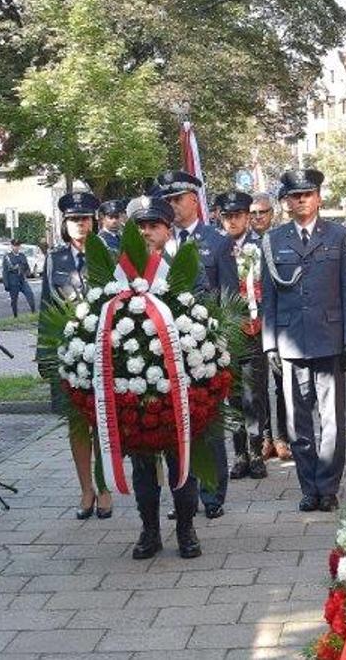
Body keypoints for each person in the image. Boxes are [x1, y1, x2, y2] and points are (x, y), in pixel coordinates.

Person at [260, 169, 346, 513]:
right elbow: (268, 298)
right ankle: (309, 487)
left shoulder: (338, 235)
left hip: (329, 338)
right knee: (297, 423)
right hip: (290, 342)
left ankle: (329, 486)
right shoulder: (272, 241)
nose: (301, 199)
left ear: (318, 197)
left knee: (332, 420)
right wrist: (269, 343)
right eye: (294, 195)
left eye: (307, 193)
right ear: (286, 202)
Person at [121, 195, 203, 560]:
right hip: (136, 381)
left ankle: (186, 529)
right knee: (141, 461)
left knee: (180, 458)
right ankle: (149, 530)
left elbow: (201, 313)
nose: (147, 233)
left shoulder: (182, 264)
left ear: (168, 230)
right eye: (141, 227)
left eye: (154, 225)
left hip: (179, 380)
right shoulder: (120, 271)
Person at [155, 170, 238, 518]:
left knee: (208, 422)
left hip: (204, 347)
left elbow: (230, 298)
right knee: (175, 424)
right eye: (168, 200)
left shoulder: (216, 242)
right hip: (167, 350)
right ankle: (183, 492)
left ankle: (213, 493)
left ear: (194, 200)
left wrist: (222, 346)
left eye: (179, 199)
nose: (173, 206)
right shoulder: (159, 243)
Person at [42, 190, 112, 520]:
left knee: (101, 423)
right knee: (76, 424)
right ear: (64, 224)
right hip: (68, 352)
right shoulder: (55, 259)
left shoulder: (109, 252)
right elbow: (46, 307)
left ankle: (106, 488)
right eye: (73, 220)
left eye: (84, 219)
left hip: (104, 348)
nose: (80, 225)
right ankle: (86, 489)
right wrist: (45, 355)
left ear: (94, 221)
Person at [214, 190, 269, 480]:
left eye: (238, 215)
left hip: (253, 330)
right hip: (226, 333)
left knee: (254, 393)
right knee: (232, 394)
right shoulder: (215, 247)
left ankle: (256, 450)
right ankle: (239, 453)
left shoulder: (261, 245)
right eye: (227, 216)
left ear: (248, 217)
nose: (232, 221)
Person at [249, 193, 292, 463]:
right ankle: (264, 437)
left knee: (281, 382)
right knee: (256, 384)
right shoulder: (240, 244)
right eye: (253, 213)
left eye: (262, 212)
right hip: (250, 325)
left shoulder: (280, 241)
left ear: (272, 214)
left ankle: (283, 437)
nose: (257, 217)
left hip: (276, 321)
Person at [1, 239, 37, 316]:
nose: (16, 247)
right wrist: (6, 284)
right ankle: (15, 315)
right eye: (15, 246)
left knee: (30, 294)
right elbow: (5, 271)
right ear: (12, 246)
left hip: (22, 280)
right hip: (13, 281)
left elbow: (27, 267)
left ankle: (33, 312)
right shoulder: (8, 257)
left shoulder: (22, 256)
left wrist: (28, 272)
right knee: (14, 300)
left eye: (18, 246)